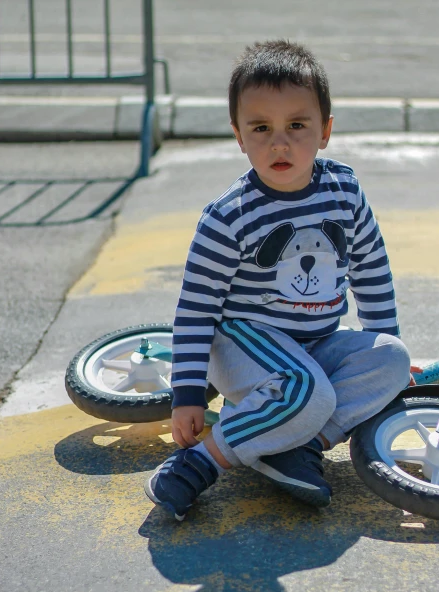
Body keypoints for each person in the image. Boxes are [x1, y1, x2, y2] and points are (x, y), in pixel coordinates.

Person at [145, 39, 413, 522]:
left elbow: (371, 269)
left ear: (325, 130)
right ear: (239, 136)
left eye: (297, 125)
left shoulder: (345, 192)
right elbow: (196, 307)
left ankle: (296, 446)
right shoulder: (230, 216)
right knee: (306, 388)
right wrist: (186, 395)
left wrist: (381, 338)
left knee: (392, 361)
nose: (279, 142)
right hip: (241, 345)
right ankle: (199, 463)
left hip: (313, 344)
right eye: (261, 128)